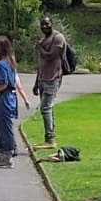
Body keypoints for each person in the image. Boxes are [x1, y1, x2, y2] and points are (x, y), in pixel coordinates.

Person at [0, 37, 32, 167]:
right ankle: (3, 154)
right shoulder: (9, 62)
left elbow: (3, 83)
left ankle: (7, 156)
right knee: (1, 126)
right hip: (8, 98)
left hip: (3, 98)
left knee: (4, 128)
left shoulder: (1, 64)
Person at [35, 15, 68, 146]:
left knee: (45, 108)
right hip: (43, 79)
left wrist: (40, 48)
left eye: (47, 24)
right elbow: (41, 63)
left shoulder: (58, 38)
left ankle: (50, 139)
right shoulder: (44, 39)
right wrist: (36, 82)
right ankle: (49, 138)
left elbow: (49, 56)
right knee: (47, 108)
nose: (44, 27)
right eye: (42, 24)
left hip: (53, 78)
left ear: (52, 24)